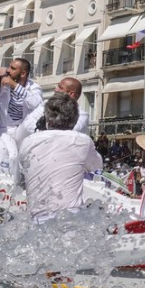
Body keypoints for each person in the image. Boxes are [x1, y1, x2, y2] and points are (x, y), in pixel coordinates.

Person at [19, 94, 102, 222]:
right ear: (74, 120)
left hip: (37, 220)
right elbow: (97, 167)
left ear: (47, 119)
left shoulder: (27, 142)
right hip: (71, 219)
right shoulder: (82, 141)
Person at [15, 77, 89, 146]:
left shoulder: (82, 116)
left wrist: (42, 130)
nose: (55, 89)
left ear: (71, 94)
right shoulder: (46, 104)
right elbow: (27, 125)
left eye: (60, 87)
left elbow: (66, 135)